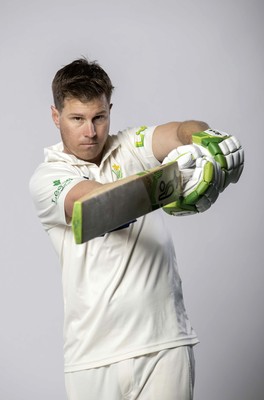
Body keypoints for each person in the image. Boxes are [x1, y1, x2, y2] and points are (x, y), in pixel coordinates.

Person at [29, 58, 244, 400]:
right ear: (56, 117)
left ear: (110, 110)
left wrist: (205, 141)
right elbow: (96, 203)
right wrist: (175, 180)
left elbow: (179, 131)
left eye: (99, 117)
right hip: (93, 356)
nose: (91, 131)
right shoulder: (48, 177)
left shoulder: (130, 146)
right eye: (77, 119)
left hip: (164, 344)